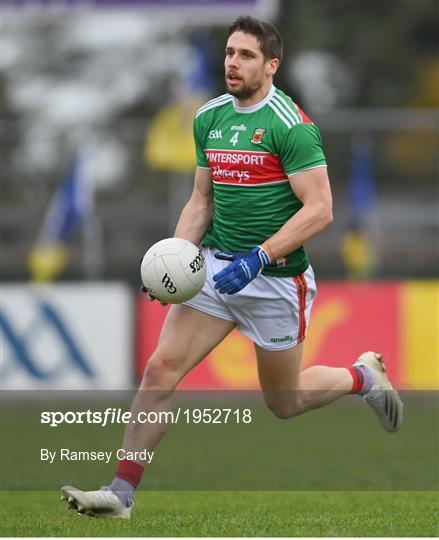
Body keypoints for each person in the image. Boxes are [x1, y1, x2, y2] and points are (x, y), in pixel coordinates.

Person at [61, 15, 403, 519]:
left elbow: (321, 209)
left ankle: (361, 376)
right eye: (228, 53)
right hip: (216, 272)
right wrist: (172, 261)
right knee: (160, 369)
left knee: (284, 404)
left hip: (276, 283)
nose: (232, 63)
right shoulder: (211, 116)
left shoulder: (291, 126)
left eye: (245, 55)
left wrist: (260, 257)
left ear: (271, 65)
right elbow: (201, 199)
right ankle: (121, 494)